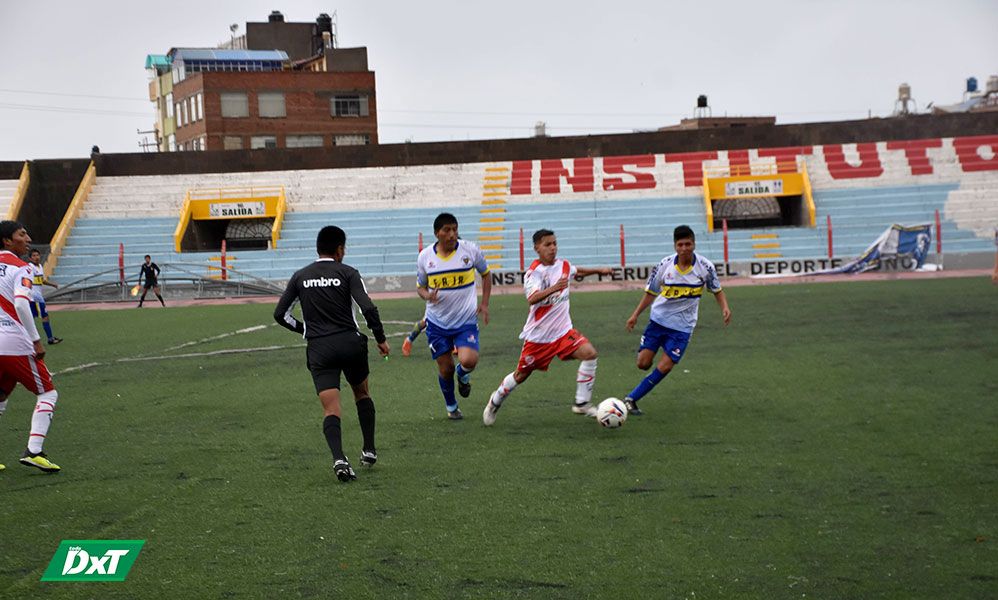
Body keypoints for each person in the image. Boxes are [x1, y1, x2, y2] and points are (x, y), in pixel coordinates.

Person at [274, 226, 390, 482]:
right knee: (362, 393)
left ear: (318, 248)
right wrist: (380, 338)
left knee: (331, 409)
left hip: (320, 349)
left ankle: (339, 458)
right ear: (340, 249)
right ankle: (369, 449)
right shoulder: (348, 273)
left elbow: (280, 315)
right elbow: (368, 308)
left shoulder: (300, 276)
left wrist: (305, 329)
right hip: (350, 344)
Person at [483, 229, 613, 425]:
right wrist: (555, 288)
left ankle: (582, 402)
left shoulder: (564, 266)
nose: (552, 248)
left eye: (554, 243)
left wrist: (598, 271)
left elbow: (577, 271)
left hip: (563, 332)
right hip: (538, 338)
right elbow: (532, 298)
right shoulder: (533, 273)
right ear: (537, 248)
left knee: (590, 354)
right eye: (547, 244)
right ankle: (495, 401)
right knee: (520, 375)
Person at [622, 225, 731, 416]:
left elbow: (716, 289)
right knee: (643, 364)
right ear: (675, 246)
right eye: (680, 244)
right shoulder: (664, 265)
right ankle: (633, 395)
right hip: (658, 321)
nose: (684, 248)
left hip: (683, 328)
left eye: (688, 244)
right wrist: (635, 315)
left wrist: (725, 308)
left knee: (665, 366)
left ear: (694, 244)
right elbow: (650, 292)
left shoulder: (705, 267)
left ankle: (631, 399)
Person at [415, 213, 491, 419]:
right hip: (437, 323)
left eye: (455, 229)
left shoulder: (470, 250)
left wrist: (484, 303)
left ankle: (463, 375)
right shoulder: (425, 257)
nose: (452, 234)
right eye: (447, 230)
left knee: (469, 360)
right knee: (445, 368)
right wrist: (428, 296)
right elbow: (420, 287)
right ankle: (451, 407)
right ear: (437, 233)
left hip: (465, 320)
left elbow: (486, 274)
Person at [0, 221, 62, 473]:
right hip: (14, 341)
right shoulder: (21, 267)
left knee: (1, 397)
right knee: (48, 393)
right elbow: (22, 305)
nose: (28, 238)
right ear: (7, 240)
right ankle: (34, 451)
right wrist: (36, 339)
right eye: (22, 234)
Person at [26, 249, 63, 345]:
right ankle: (49, 339)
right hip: (35, 297)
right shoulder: (30, 267)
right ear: (30, 258)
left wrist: (52, 284)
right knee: (44, 317)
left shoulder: (40, 267)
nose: (36, 257)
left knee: (32, 318)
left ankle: (31, 340)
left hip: (37, 297)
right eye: (33, 255)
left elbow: (41, 280)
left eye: (37, 255)